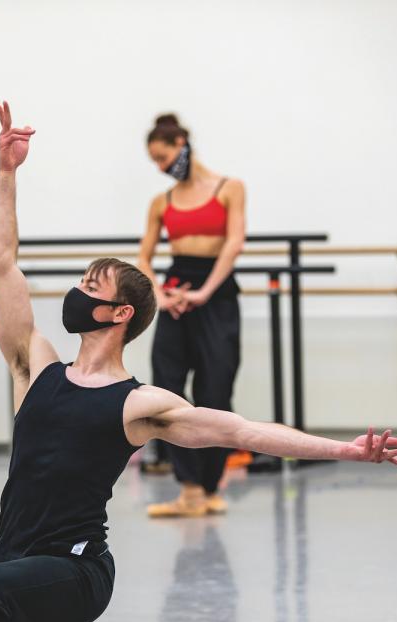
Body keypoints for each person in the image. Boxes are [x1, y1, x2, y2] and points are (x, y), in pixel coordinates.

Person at [0, 101, 397, 622]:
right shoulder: (36, 368)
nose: (75, 289)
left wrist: (348, 450)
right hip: (22, 567)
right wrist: (6, 172)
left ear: (119, 314)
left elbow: (243, 431)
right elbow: (2, 265)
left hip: (77, 572)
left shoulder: (140, 404)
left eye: (91, 284)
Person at [135, 113, 248, 517]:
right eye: (156, 163)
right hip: (176, 293)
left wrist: (205, 292)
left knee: (216, 390)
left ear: (181, 143)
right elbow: (144, 258)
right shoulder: (161, 202)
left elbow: (233, 244)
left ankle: (211, 486)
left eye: (163, 157)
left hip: (215, 293)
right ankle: (189, 490)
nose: (162, 167)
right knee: (167, 390)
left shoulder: (229, 188)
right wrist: (162, 297)